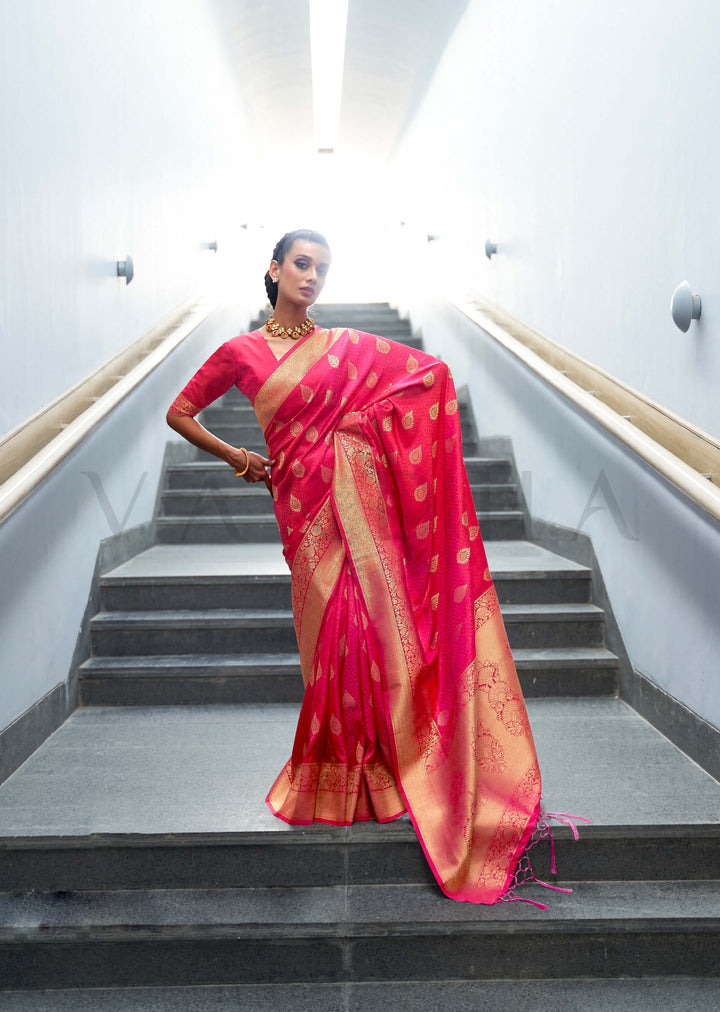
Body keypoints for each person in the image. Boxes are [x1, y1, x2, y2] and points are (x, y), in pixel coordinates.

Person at [166, 228, 583, 906]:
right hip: (300, 508)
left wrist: (368, 431)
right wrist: (239, 457)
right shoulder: (239, 352)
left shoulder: (345, 350)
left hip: (350, 507)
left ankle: (380, 770)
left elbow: (427, 378)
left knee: (363, 634)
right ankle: (329, 772)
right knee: (325, 641)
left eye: (323, 269)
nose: (312, 277)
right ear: (273, 269)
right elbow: (179, 411)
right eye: (301, 264)